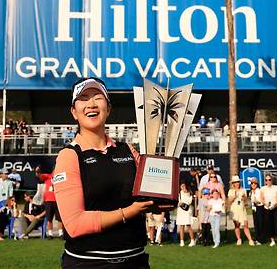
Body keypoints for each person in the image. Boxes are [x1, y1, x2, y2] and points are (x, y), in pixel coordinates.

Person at [53, 77, 156, 268]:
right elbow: (75, 224)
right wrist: (130, 212)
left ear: (108, 108)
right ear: (74, 112)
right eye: (83, 98)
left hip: (136, 261)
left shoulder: (128, 150)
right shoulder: (69, 156)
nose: (91, 104)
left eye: (98, 97)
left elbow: (152, 195)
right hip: (88, 264)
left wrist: (164, 195)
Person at [36, 166, 64, 239]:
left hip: (58, 200)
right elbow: (39, 176)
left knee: (59, 218)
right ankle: (50, 234)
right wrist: (37, 171)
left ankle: (60, 233)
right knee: (49, 218)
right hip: (48, 200)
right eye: (55, 170)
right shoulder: (48, 176)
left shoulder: (60, 178)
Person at [227, 176, 254, 246]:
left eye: (238, 182)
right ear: (233, 183)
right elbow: (229, 201)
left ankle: (250, 239)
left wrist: (244, 198)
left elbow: (246, 202)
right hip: (234, 209)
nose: (237, 183)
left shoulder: (243, 190)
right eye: (235, 182)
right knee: (237, 225)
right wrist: (234, 195)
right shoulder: (231, 191)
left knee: (245, 225)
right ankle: (239, 239)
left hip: (242, 209)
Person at [259, 174, 277, 247]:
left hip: (275, 208)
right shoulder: (263, 189)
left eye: (269, 180)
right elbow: (261, 198)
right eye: (266, 180)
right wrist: (265, 204)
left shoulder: (276, 188)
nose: (268, 181)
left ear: (272, 180)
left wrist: (274, 204)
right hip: (267, 208)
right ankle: (272, 240)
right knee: (269, 224)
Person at [176, 182, 196, 247]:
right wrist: (179, 203)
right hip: (181, 210)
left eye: (184, 186)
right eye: (181, 186)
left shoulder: (189, 193)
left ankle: (192, 241)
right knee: (181, 226)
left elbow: (189, 202)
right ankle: (182, 241)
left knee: (188, 225)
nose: (183, 187)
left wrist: (182, 202)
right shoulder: (179, 193)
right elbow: (178, 202)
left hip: (187, 211)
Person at [248, 177, 263, 245]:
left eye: (255, 183)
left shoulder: (259, 191)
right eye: (252, 183)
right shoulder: (251, 192)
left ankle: (261, 239)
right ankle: (257, 237)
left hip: (260, 207)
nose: (253, 184)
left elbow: (260, 200)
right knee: (256, 223)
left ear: (257, 184)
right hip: (254, 208)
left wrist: (256, 201)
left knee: (260, 223)